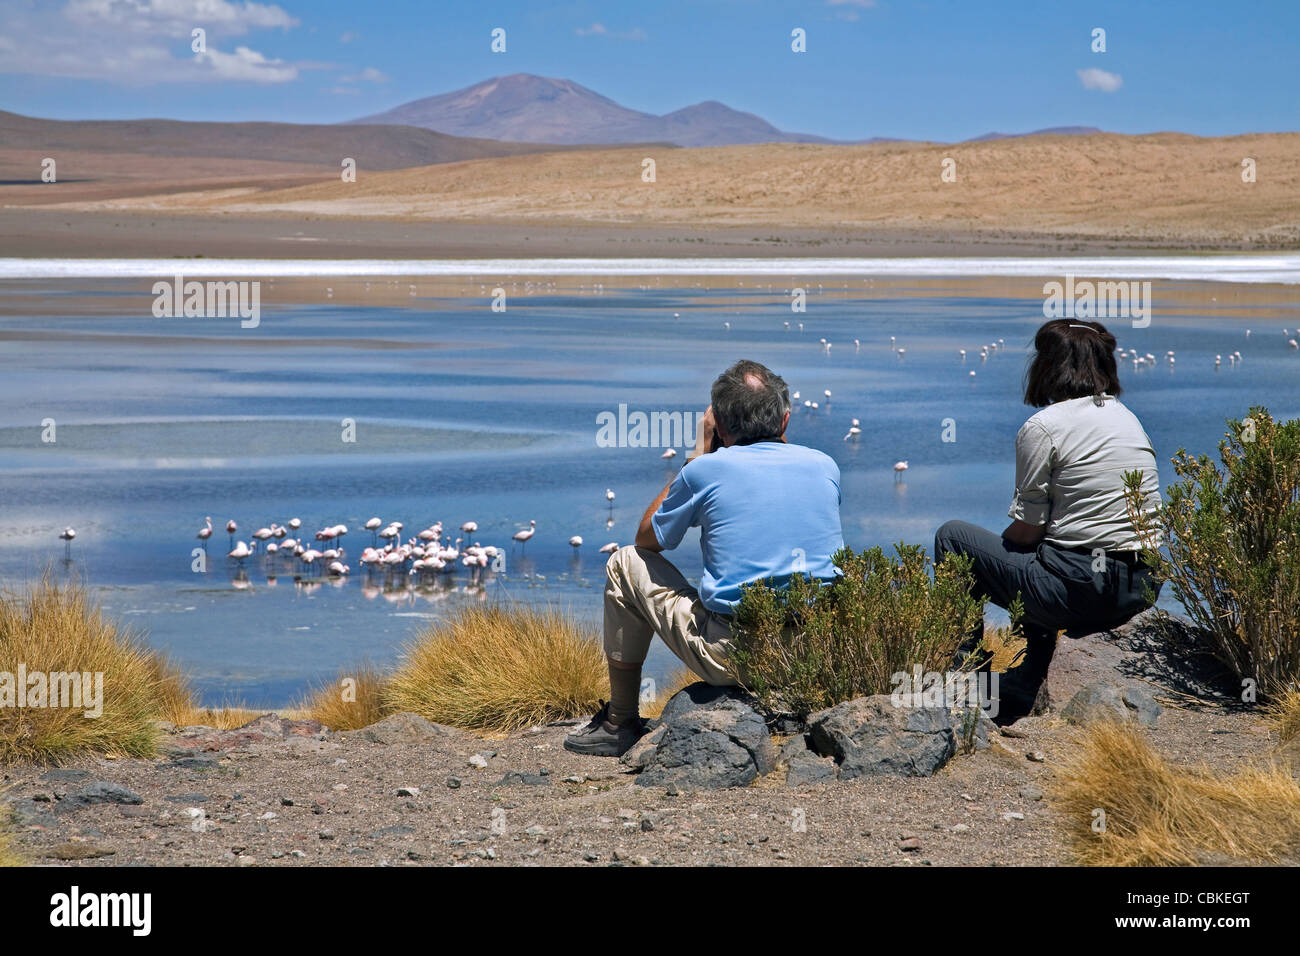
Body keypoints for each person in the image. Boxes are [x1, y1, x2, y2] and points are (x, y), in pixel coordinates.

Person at [565, 359, 845, 756]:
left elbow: (647, 540)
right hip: (817, 651)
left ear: (721, 427)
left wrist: (698, 454)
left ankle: (620, 721)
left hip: (734, 656)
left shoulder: (706, 470)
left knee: (623, 562)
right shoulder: (825, 466)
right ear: (785, 421)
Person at [934, 319, 1163, 723]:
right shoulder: (1128, 418)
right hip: (1140, 587)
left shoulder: (1045, 426)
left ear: (1048, 366)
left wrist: (999, 558)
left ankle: (967, 672)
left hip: (1081, 592)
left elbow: (1027, 529)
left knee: (954, 538)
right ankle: (1031, 674)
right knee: (1046, 555)